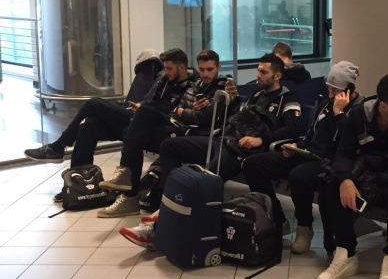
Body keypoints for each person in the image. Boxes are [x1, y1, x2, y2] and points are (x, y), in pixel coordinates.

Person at [118, 53, 301, 249]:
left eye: (263, 72)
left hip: (242, 151)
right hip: (222, 140)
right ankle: (167, 202)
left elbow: (293, 129)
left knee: (203, 178)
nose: (258, 75)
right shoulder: (255, 96)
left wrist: (261, 140)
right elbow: (235, 119)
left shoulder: (287, 99)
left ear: (277, 76)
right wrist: (231, 101)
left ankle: (159, 226)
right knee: (170, 146)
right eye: (258, 70)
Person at [24, 49, 189, 202]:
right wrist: (140, 105)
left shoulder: (189, 86)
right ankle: (77, 186)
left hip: (152, 124)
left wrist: (144, 109)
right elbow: (149, 101)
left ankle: (58, 147)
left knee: (94, 104)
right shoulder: (162, 77)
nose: (165, 72)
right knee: (89, 124)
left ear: (181, 68)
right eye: (165, 68)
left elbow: (172, 113)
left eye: (169, 69)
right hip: (138, 116)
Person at [96, 49, 239, 218]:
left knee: (148, 125)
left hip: (192, 133)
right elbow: (179, 110)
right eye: (202, 69)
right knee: (132, 129)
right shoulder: (195, 85)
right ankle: (129, 189)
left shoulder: (223, 89)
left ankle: (132, 188)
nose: (205, 74)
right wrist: (186, 111)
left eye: (210, 70)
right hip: (178, 126)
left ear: (218, 68)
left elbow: (202, 118)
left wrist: (185, 111)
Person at [242, 61, 364, 256]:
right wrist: (297, 147)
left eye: (335, 91)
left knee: (298, 176)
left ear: (349, 90)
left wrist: (339, 113)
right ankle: (278, 219)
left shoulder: (358, 111)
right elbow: (311, 134)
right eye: (329, 89)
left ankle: (304, 227)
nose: (331, 95)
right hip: (308, 154)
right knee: (253, 164)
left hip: (328, 162)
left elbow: (348, 145)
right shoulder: (325, 104)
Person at [318, 74, 388, 279]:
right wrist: (345, 179)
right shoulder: (359, 115)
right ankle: (346, 254)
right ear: (383, 107)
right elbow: (343, 153)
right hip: (373, 179)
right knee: (335, 183)